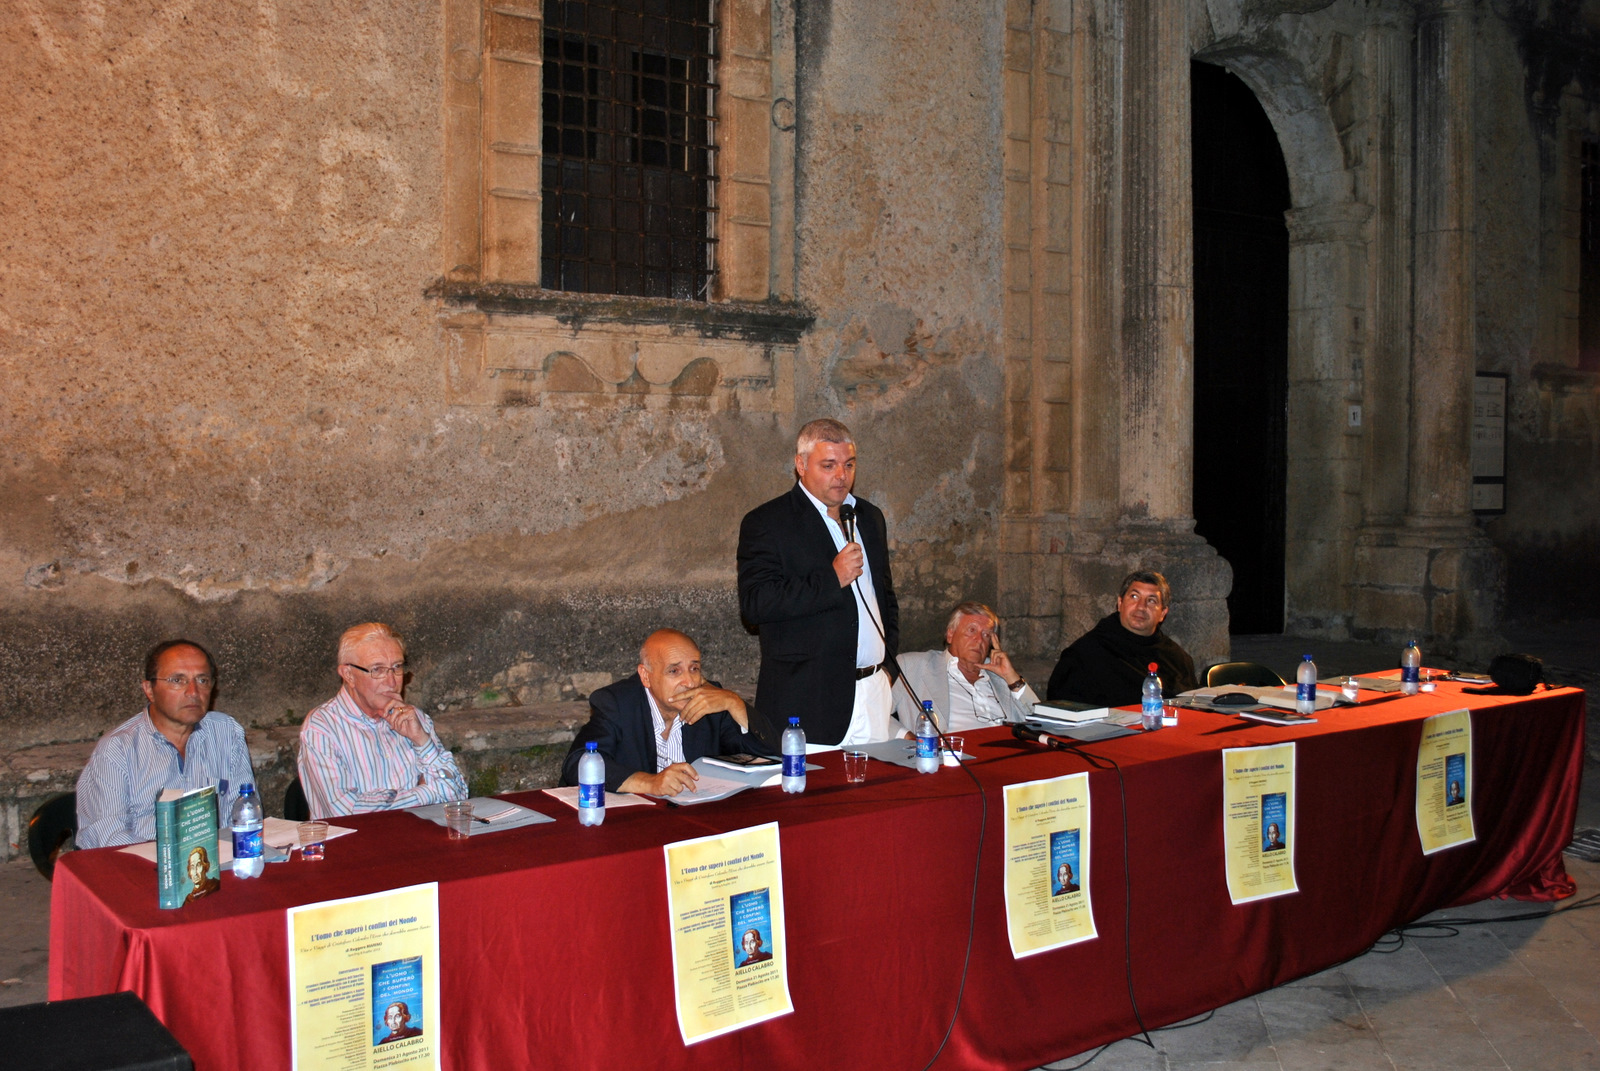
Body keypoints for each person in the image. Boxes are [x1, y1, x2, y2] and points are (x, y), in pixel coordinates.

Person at [738, 419, 900, 746]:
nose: (841, 475)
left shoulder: (869, 517)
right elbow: (755, 605)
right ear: (801, 465)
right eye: (829, 465)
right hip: (809, 702)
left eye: (849, 464)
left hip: (873, 694)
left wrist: (888, 667)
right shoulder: (768, 523)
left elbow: (884, 597)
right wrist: (832, 578)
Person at [76, 640, 255, 849]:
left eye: (203, 680)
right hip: (141, 869)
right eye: (178, 680)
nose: (193, 692)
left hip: (213, 865)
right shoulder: (117, 750)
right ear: (149, 690)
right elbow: (111, 841)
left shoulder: (227, 732)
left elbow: (244, 814)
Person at [559, 629, 768, 796]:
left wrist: (734, 702)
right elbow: (578, 763)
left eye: (694, 668)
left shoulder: (711, 702)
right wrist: (650, 782)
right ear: (646, 676)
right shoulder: (617, 703)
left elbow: (767, 756)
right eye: (674, 671)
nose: (689, 682)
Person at [298, 623, 467, 820]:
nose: (392, 682)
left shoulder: (415, 719)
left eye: (397, 667)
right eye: (377, 670)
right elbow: (345, 812)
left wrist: (421, 739)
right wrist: (428, 793)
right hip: (355, 846)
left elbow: (458, 796)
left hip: (417, 842)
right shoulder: (322, 727)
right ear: (348, 675)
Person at [1045, 570, 1198, 707]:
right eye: (1134, 596)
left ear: (1163, 613)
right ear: (1120, 603)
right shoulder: (1085, 654)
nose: (1141, 606)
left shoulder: (1178, 659)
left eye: (1151, 600)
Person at [891, 602, 1037, 736]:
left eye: (986, 635)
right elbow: (872, 711)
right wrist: (907, 737)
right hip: (954, 757)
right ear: (950, 635)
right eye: (972, 630)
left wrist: (1012, 677)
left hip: (1007, 757)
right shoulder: (912, 666)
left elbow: (1043, 725)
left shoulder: (1001, 677)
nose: (979, 640)